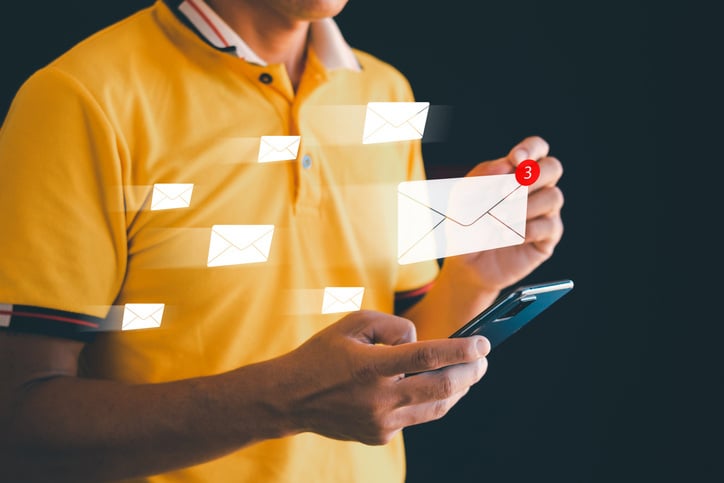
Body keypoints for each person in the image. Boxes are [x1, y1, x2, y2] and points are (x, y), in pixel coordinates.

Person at [0, 0, 564, 481]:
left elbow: (397, 361)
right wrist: (287, 400)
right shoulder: (80, 96)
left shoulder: (387, 92)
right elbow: (18, 425)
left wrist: (471, 276)